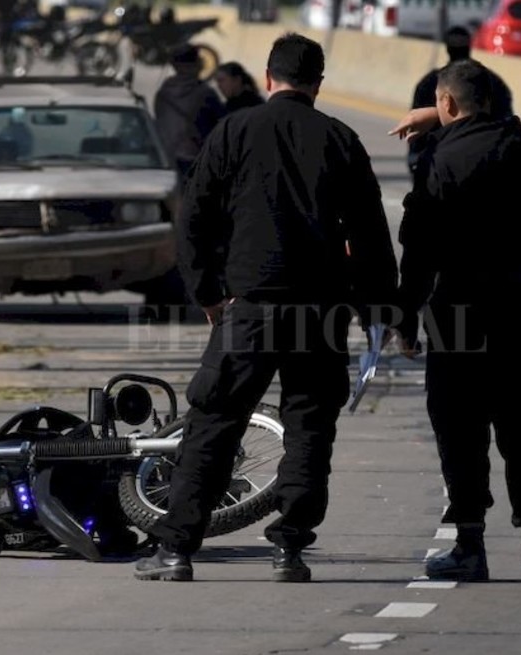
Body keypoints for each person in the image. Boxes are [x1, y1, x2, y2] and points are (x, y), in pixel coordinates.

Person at [134, 32, 399, 583]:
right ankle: (290, 548)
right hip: (320, 312)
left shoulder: (235, 130)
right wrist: (376, 309)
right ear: (317, 84)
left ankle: (177, 549)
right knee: (310, 426)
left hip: (250, 306)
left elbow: (193, 218)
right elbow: (371, 235)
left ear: (269, 77)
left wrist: (207, 293)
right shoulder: (340, 139)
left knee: (214, 423)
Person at [390, 59, 521, 581]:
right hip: (512, 303)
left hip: (456, 307)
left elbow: (419, 249)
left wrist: (404, 317)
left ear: (446, 103)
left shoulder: (439, 158)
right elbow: (507, 128)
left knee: (459, 425)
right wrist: (447, 116)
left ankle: (470, 544)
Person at [406, 26, 513, 174]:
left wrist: (417, 159)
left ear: (447, 48)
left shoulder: (429, 83)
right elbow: (507, 124)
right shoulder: (493, 82)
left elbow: (416, 129)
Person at [153, 44, 227, 185]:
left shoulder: (163, 93)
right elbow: (221, 126)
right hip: (194, 159)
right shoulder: (205, 94)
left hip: (166, 159)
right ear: (197, 65)